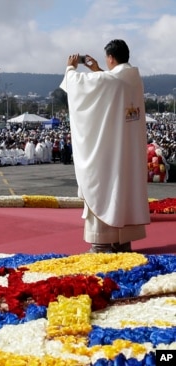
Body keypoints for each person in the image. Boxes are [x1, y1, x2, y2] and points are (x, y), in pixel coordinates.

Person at [59, 39, 149, 253]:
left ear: (111, 57)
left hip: (109, 149)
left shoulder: (113, 80)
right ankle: (124, 239)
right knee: (126, 185)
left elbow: (83, 86)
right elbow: (108, 84)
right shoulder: (133, 79)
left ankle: (104, 240)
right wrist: (97, 70)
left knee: (105, 184)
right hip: (128, 147)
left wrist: (71, 68)